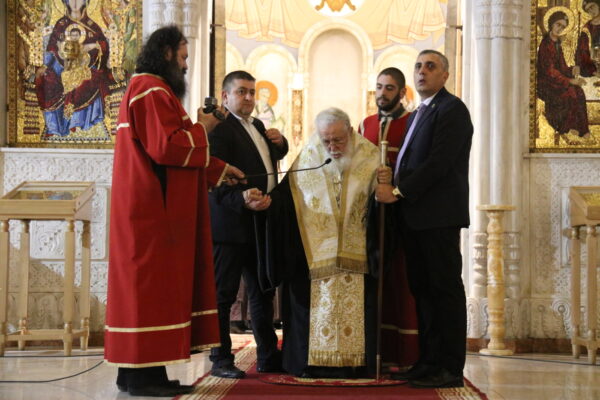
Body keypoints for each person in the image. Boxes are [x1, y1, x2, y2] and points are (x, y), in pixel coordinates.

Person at [104, 26, 244, 397]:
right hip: (151, 213)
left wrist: (219, 170)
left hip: (147, 209)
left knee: (150, 293)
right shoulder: (151, 90)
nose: (184, 66)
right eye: (182, 58)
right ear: (166, 52)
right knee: (151, 293)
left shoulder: (150, 90)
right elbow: (166, 148)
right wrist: (205, 127)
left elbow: (174, 151)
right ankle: (142, 378)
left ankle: (138, 373)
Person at [375, 50, 473, 388]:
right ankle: (429, 361)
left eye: (430, 67)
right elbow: (411, 160)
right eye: (418, 66)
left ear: (444, 75)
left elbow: (439, 163)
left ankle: (450, 367)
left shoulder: (452, 109)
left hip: (438, 216)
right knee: (423, 291)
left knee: (444, 290)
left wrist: (398, 191)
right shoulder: (421, 111)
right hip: (416, 217)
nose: (422, 72)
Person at [260, 107, 381, 378]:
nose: (332, 147)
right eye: (326, 140)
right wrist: (268, 202)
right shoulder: (309, 157)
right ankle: (313, 364)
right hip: (315, 258)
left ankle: (355, 364)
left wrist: (384, 192)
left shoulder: (372, 157)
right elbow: (285, 197)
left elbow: (384, 209)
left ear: (350, 132)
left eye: (338, 140)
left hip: (358, 256)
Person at [208, 70, 288, 379]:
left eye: (252, 92)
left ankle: (267, 355)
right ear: (225, 96)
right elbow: (214, 178)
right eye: (241, 91)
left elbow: (268, 158)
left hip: (259, 222)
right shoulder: (219, 129)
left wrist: (282, 143)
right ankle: (220, 358)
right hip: (230, 223)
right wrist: (241, 199)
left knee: (262, 292)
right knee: (224, 295)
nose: (249, 98)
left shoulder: (257, 125)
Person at [359, 67, 419, 372]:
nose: (382, 93)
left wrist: (393, 180)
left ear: (402, 92)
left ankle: (403, 354)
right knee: (374, 280)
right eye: (379, 87)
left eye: (390, 88)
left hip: (401, 211)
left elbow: (417, 166)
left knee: (401, 282)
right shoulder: (366, 124)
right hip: (371, 214)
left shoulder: (412, 123)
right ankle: (373, 351)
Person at [35, 0, 114, 136]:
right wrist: (46, 64)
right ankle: (55, 127)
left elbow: (103, 45)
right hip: (61, 64)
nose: (75, 2)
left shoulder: (91, 25)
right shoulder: (61, 24)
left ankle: (81, 124)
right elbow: (52, 48)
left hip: (85, 65)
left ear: (85, 2)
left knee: (91, 78)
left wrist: (92, 46)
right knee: (48, 80)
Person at [537, 11, 590, 144]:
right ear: (551, 24)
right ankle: (566, 128)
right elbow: (550, 71)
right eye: (558, 24)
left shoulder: (557, 43)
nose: (560, 28)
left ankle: (582, 130)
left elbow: (561, 67)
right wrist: (570, 81)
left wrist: (572, 69)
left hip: (557, 80)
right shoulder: (545, 44)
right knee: (571, 92)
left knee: (579, 91)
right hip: (547, 84)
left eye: (563, 27)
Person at [576, 0, 600, 77]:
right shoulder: (587, 28)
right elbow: (582, 50)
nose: (591, 11)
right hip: (594, 62)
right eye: (588, 10)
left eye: (592, 7)